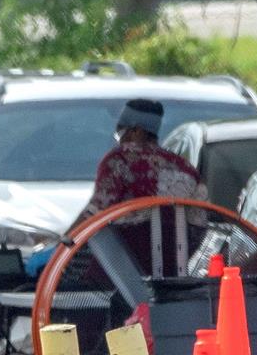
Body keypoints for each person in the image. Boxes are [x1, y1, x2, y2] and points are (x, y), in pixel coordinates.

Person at [28, 99, 202, 277]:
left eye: (120, 131)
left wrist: (62, 246)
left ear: (136, 131)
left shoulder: (120, 159)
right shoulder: (184, 167)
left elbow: (94, 213)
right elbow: (199, 222)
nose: (119, 139)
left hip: (121, 272)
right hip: (171, 273)